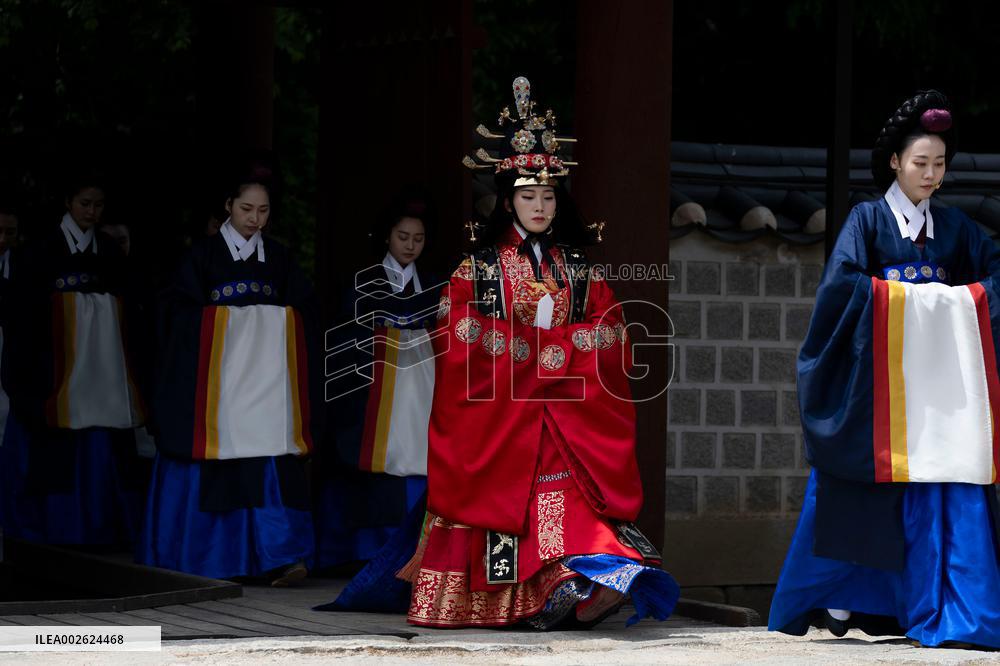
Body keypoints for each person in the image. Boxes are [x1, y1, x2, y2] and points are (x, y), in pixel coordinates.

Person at [399, 76, 679, 629]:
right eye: (529, 195)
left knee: (569, 495)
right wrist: (530, 350)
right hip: (504, 418)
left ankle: (585, 581)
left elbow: (612, 330)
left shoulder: (577, 269)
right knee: (519, 488)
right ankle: (552, 590)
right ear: (508, 201)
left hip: (564, 414)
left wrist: (561, 350)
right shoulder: (476, 270)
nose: (540, 206)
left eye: (549, 196)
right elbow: (457, 333)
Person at [768, 90, 1000, 648]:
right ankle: (847, 600)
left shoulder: (956, 229)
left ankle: (944, 604)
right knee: (861, 488)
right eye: (920, 162)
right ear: (895, 162)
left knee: (945, 486)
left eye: (939, 164)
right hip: (880, 387)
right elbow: (841, 288)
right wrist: (910, 301)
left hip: (938, 390)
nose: (930, 173)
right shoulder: (866, 221)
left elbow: (993, 276)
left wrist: (953, 301)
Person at [139, 162, 320, 585]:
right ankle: (215, 558)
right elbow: (173, 316)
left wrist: (265, 322)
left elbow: (307, 313)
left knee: (271, 459)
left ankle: (281, 556)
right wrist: (233, 325)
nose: (254, 219)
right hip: (217, 390)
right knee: (220, 461)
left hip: (265, 387)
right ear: (228, 207)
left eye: (262, 211)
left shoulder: (280, 259)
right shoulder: (199, 258)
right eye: (245, 209)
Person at [0, 176, 147, 545]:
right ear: (68, 202)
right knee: (53, 451)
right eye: (84, 203)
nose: (91, 212)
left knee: (102, 446)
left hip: (103, 372)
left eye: (98, 205)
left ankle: (101, 530)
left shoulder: (111, 252)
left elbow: (132, 309)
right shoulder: (39, 252)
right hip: (55, 370)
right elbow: (23, 318)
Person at [314, 191, 442, 575]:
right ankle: (364, 550)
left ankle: (419, 552)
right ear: (387, 237)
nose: (410, 246)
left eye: (418, 239)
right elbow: (343, 340)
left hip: (420, 386)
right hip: (374, 387)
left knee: (417, 458)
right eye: (403, 237)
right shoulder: (362, 283)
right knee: (373, 459)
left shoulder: (434, 285)